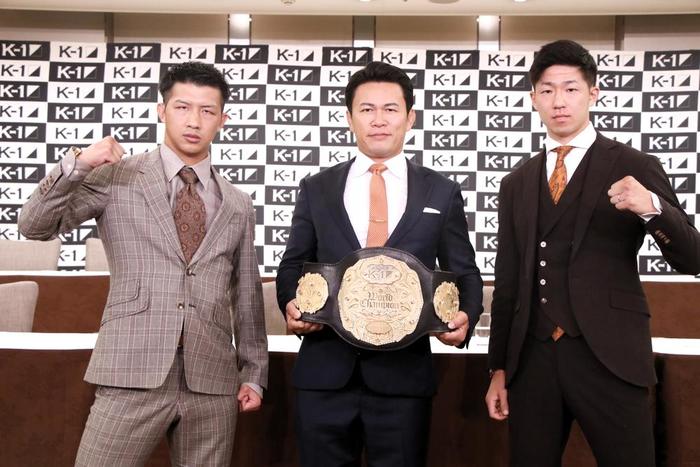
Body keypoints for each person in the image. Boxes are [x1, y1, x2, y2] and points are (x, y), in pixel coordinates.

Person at [18, 61, 268, 467]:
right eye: (182, 107)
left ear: (223, 120)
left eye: (207, 111)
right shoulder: (116, 177)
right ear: (161, 110)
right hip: (130, 368)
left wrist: (254, 372)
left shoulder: (238, 203)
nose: (194, 121)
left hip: (212, 379)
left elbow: (247, 295)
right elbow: (34, 226)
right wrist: (78, 163)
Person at [485, 39, 700, 467]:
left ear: (593, 93)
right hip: (533, 361)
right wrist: (499, 369)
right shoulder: (516, 183)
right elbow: (508, 281)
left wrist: (652, 208)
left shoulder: (635, 164)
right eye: (547, 90)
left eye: (571, 89)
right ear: (533, 99)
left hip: (611, 356)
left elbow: (692, 258)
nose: (559, 101)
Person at [276, 61, 483, 467]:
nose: (379, 120)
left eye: (390, 109)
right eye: (367, 109)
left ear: (410, 117)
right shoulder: (317, 188)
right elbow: (293, 264)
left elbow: (464, 271)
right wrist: (290, 302)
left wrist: (466, 317)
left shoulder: (441, 191)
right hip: (324, 373)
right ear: (349, 117)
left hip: (403, 379)